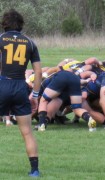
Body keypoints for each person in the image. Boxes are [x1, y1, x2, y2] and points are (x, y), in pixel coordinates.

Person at [0, 9, 41, 177]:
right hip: (20, 88)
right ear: (21, 25)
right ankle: (35, 170)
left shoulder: (1, 40)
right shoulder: (30, 43)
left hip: (3, 84)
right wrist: (36, 95)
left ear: (4, 24)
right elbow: (38, 73)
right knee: (27, 132)